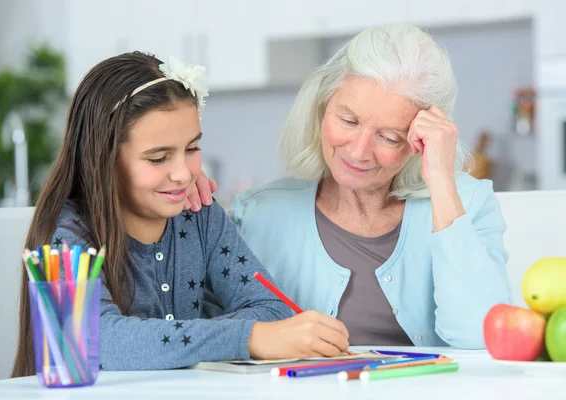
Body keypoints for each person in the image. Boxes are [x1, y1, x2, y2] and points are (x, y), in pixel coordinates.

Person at [11, 52, 351, 376]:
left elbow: (273, 310)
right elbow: (93, 341)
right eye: (158, 158)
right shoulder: (68, 234)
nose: (183, 174)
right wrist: (247, 337)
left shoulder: (198, 214)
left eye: (192, 149)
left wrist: (189, 341)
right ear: (103, 159)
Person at [189, 25, 513, 349]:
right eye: (348, 121)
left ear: (422, 140)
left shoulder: (466, 203)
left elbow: (479, 337)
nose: (358, 152)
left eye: (389, 137)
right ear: (322, 107)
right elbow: (203, 334)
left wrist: (442, 181)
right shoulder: (257, 214)